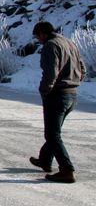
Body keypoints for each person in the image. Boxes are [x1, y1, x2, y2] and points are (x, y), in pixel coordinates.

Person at [29, 22, 86, 183]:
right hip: (72, 94)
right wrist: (73, 81)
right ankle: (45, 160)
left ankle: (67, 170)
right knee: (55, 132)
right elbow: (83, 69)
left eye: (37, 36)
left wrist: (45, 91)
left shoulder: (50, 45)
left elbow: (50, 72)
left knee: (52, 134)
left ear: (42, 33)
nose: (38, 40)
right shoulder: (69, 43)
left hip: (57, 95)